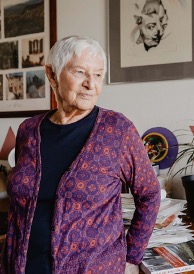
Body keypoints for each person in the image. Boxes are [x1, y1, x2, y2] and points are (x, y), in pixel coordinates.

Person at [0, 35, 161, 274]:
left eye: (98, 74)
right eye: (80, 72)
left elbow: (149, 193)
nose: (91, 84)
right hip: (21, 266)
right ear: (52, 74)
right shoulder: (28, 130)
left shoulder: (117, 129)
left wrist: (131, 257)